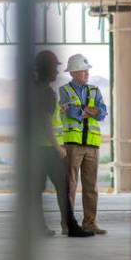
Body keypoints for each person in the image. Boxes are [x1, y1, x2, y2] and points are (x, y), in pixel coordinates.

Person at [34, 50, 93, 238]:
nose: (56, 72)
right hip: (48, 149)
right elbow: (46, 122)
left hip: (34, 148)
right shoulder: (47, 93)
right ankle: (71, 226)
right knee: (63, 187)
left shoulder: (32, 91)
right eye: (54, 68)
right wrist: (57, 147)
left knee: (36, 190)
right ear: (46, 69)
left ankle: (38, 227)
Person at [59, 53, 108, 235]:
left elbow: (102, 113)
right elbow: (71, 112)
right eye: (82, 71)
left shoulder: (95, 90)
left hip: (92, 145)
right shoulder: (65, 91)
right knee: (70, 186)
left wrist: (83, 110)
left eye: (87, 70)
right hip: (73, 144)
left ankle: (90, 223)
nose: (87, 74)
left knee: (91, 187)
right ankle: (68, 224)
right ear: (72, 73)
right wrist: (90, 111)